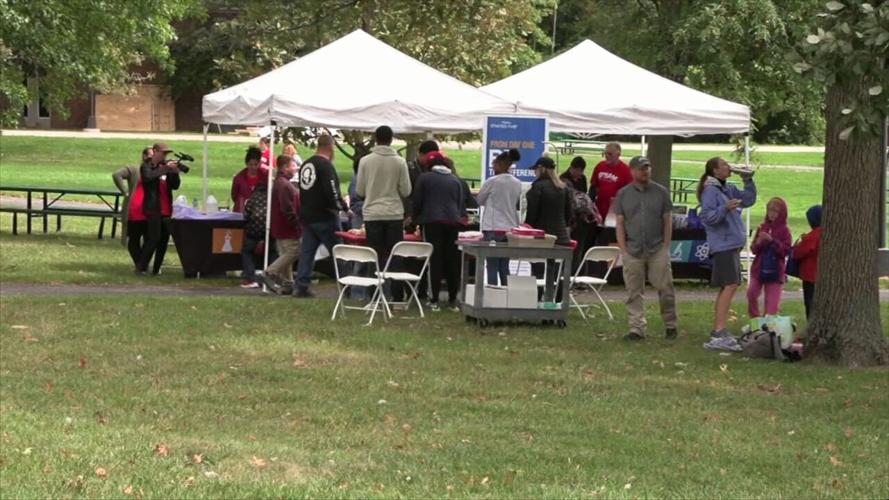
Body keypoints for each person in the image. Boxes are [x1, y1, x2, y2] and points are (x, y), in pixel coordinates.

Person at [613, 156, 678, 340]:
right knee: (633, 291)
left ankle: (671, 325)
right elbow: (620, 223)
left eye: (648, 168)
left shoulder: (661, 192)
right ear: (632, 171)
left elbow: (667, 221)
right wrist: (623, 249)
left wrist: (666, 246)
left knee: (665, 288)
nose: (645, 171)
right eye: (642, 168)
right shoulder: (623, 194)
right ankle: (636, 328)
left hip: (657, 248)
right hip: (633, 248)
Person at [698, 156, 756, 351]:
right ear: (715, 170)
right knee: (730, 285)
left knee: (729, 285)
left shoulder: (727, 188)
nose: (728, 166)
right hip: (722, 245)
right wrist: (724, 208)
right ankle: (718, 332)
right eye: (723, 164)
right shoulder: (710, 191)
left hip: (732, 244)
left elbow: (748, 200)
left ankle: (720, 330)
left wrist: (748, 180)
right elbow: (707, 217)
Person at [357, 125, 412, 300]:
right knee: (395, 255)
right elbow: (406, 191)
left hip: (372, 213)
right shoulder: (399, 162)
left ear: (375, 138)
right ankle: (397, 297)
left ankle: (374, 295)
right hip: (394, 213)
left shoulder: (365, 161)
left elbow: (360, 191)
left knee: (374, 255)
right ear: (391, 139)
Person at [412, 152, 466, 311]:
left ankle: (433, 299)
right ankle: (452, 300)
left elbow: (418, 201)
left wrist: (415, 220)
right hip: (453, 222)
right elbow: (460, 203)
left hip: (432, 221)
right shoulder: (455, 180)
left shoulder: (425, 178)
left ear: (430, 166)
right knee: (452, 260)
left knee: (434, 260)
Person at [294, 134, 345, 298]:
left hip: (308, 215)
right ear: (330, 148)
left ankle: (301, 285)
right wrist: (340, 207)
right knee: (339, 252)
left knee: (307, 253)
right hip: (325, 215)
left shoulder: (306, 164)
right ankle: (348, 284)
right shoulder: (325, 166)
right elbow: (332, 190)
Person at [525, 156, 573, 302]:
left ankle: (537, 298)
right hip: (561, 236)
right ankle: (557, 301)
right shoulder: (563, 188)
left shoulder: (538, 187)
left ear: (541, 169)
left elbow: (532, 215)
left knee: (538, 270)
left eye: (536, 170)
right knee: (557, 272)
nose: (535, 173)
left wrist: (527, 229)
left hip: (542, 236)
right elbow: (568, 215)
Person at [477, 148, 522, 286]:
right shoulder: (517, 183)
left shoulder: (492, 181)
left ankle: (492, 293)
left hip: (492, 226)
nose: (492, 167)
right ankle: (506, 293)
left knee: (492, 265)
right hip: (509, 227)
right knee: (504, 265)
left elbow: (479, 200)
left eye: (494, 164)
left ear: (500, 164)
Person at [258, 155, 301, 294]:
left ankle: (288, 284)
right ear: (284, 167)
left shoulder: (280, 182)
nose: (295, 168)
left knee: (285, 254)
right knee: (293, 252)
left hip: (279, 227)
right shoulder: (284, 185)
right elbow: (287, 208)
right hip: (286, 227)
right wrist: (296, 224)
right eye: (293, 165)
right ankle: (270, 272)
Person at [136, 143, 180, 276]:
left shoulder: (164, 167)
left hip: (166, 209)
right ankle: (141, 267)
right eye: (163, 153)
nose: (165, 156)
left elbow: (175, 186)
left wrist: (175, 173)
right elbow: (149, 177)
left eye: (166, 154)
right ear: (155, 151)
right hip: (153, 208)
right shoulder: (146, 166)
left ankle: (156, 268)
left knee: (163, 241)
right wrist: (166, 168)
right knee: (153, 238)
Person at [747, 197, 792, 319]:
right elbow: (754, 249)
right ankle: (755, 319)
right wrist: (759, 242)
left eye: (775, 211)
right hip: (758, 269)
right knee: (751, 293)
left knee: (771, 305)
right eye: (770, 211)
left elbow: (786, 251)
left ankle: (769, 324)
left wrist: (772, 241)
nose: (772, 214)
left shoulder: (785, 231)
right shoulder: (762, 227)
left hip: (775, 271)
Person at [112, 146, 151, 268]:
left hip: (149, 210)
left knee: (149, 239)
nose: (151, 158)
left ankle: (142, 264)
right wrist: (125, 192)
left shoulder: (156, 171)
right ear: (144, 156)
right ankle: (140, 264)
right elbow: (116, 174)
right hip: (134, 209)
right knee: (133, 239)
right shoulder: (135, 169)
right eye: (149, 155)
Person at [589, 142, 632, 223]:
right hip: (599, 208)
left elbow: (630, 194)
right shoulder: (600, 166)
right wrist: (590, 205)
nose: (606, 156)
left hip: (615, 211)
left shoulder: (626, 170)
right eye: (605, 153)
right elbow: (593, 186)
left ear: (618, 154)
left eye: (610, 154)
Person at [793, 205, 822, 319]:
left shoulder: (814, 235)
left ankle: (811, 321)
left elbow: (798, 253)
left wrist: (801, 243)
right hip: (821, 275)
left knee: (810, 302)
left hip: (811, 275)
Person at [240, 182, 269, 289]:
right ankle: (272, 277)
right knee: (272, 251)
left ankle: (250, 277)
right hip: (268, 229)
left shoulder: (252, 198)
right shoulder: (271, 198)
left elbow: (246, 214)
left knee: (247, 251)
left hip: (254, 229)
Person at [230, 146, 268, 213]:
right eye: (250, 165)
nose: (253, 167)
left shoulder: (265, 176)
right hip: (242, 212)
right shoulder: (238, 178)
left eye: (255, 164)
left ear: (259, 163)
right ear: (246, 164)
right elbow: (234, 196)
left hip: (260, 212)